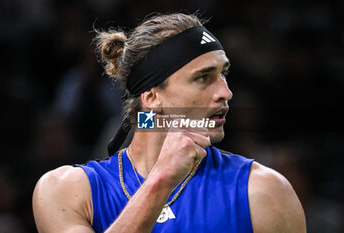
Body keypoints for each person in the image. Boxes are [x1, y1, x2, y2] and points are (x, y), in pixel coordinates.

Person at [32, 13, 306, 233]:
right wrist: (162, 178)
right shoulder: (65, 190)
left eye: (223, 74)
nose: (226, 92)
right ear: (152, 97)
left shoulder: (265, 191)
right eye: (203, 77)